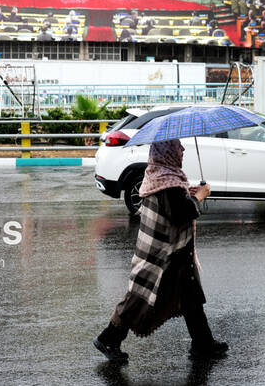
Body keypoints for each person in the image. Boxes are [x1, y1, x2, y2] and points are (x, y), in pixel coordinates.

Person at [94, 140, 228, 362]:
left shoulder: (159, 175)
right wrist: (200, 196)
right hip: (163, 251)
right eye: (177, 147)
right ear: (167, 152)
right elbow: (180, 212)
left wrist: (189, 194)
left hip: (171, 248)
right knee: (139, 296)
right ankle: (108, 338)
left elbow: (174, 203)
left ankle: (203, 344)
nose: (182, 150)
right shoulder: (167, 182)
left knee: (190, 294)